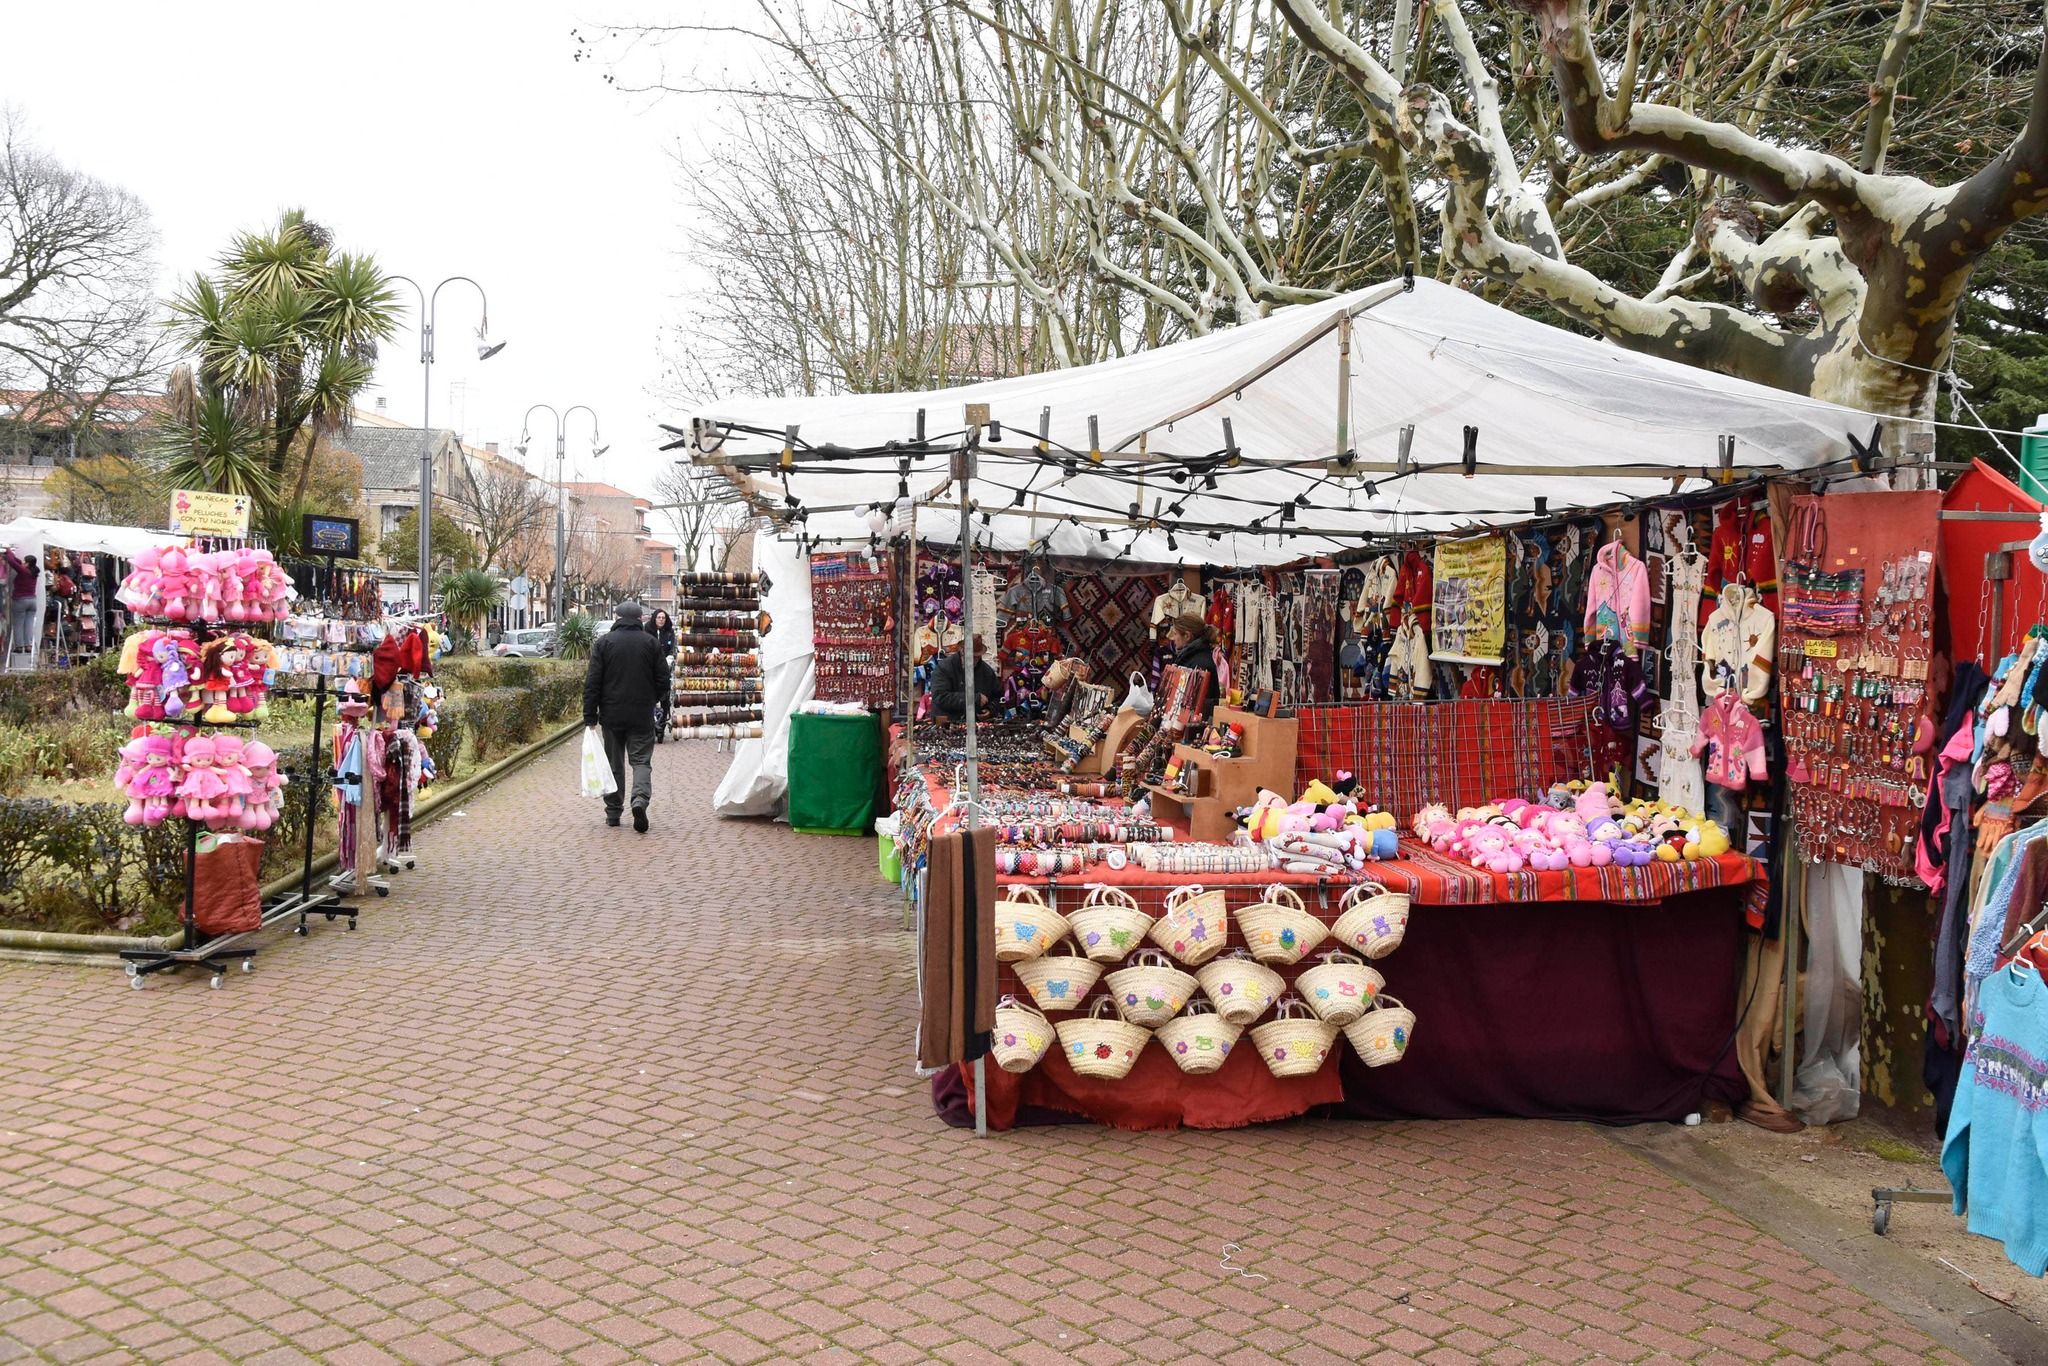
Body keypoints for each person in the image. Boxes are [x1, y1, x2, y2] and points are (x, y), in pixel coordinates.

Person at [583, 601, 668, 832]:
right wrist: (652, 698)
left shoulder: (604, 643)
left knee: (614, 764)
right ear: (640, 618)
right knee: (641, 761)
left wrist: (590, 716)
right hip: (641, 714)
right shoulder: (651, 643)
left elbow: (593, 683)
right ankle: (639, 800)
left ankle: (613, 813)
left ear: (617, 617)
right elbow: (664, 680)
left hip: (611, 715)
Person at [928, 635, 999, 720]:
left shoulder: (987, 672)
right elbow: (940, 697)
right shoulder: (944, 668)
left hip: (975, 723)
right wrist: (973, 699)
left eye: (977, 657)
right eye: (971, 656)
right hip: (946, 721)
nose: (974, 661)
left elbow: (996, 696)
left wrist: (990, 710)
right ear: (962, 651)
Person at [1166, 609, 1221, 715]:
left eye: (1176, 634)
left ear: (1187, 636)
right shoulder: (1191, 658)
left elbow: (1197, 709)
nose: (1173, 639)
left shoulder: (1200, 665)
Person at [3, 548, 38, 663]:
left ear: (27, 563)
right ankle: (28, 645)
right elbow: (18, 562)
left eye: (24, 561)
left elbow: (12, 562)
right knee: (28, 623)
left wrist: (7, 551)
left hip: (20, 601)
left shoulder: (23, 571)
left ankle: (19, 646)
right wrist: (13, 554)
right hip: (32, 601)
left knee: (18, 623)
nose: (22, 562)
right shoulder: (33, 572)